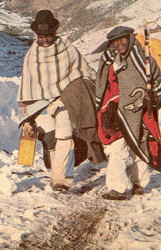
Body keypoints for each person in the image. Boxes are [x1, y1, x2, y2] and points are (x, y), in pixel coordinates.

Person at [17, 10, 103, 193]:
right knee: (51, 138)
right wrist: (28, 116)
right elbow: (28, 85)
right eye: (42, 36)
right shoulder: (32, 55)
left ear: (54, 33)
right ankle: (56, 174)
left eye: (49, 35)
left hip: (65, 99)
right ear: (37, 35)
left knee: (64, 135)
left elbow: (83, 69)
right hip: (41, 105)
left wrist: (79, 86)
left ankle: (61, 181)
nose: (46, 40)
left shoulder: (67, 48)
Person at [95, 26, 161, 200]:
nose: (119, 43)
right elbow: (102, 85)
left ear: (130, 39)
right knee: (117, 148)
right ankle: (118, 188)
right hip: (115, 112)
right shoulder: (109, 61)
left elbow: (159, 83)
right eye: (115, 40)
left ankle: (139, 183)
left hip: (140, 110)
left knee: (140, 144)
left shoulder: (144, 61)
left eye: (122, 39)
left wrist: (153, 96)